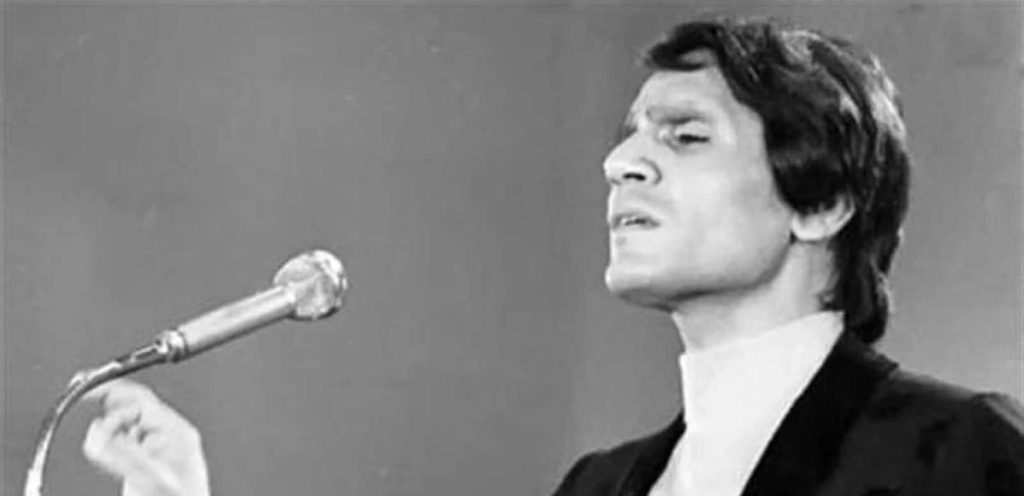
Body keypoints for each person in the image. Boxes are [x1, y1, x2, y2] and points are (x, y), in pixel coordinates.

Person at [81, 17, 1024, 496]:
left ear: (821, 204)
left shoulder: (965, 452)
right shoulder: (602, 486)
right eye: (628, 137)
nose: (621, 163)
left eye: (686, 136)